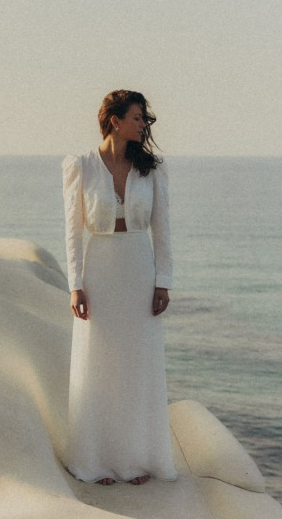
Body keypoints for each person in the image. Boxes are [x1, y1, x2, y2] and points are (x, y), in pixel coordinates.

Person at [62, 89, 178, 486]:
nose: (143, 124)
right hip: (101, 269)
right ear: (115, 120)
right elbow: (73, 232)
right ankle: (95, 460)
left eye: (143, 118)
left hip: (138, 269)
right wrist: (75, 285)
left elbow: (162, 229)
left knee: (137, 366)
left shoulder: (153, 170)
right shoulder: (80, 166)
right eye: (136, 117)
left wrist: (164, 280)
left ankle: (135, 460)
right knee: (99, 363)